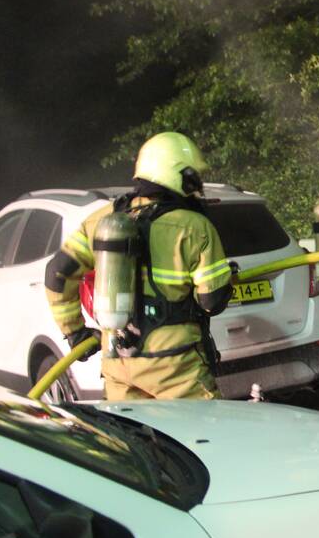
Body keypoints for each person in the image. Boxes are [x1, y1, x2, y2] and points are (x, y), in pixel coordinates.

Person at [45, 132, 233, 400]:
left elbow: (56, 274)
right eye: (192, 178)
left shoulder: (102, 220)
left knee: (132, 440)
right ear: (176, 174)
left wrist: (74, 330)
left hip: (119, 367)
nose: (196, 186)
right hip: (176, 370)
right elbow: (211, 301)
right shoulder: (194, 227)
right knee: (198, 440)